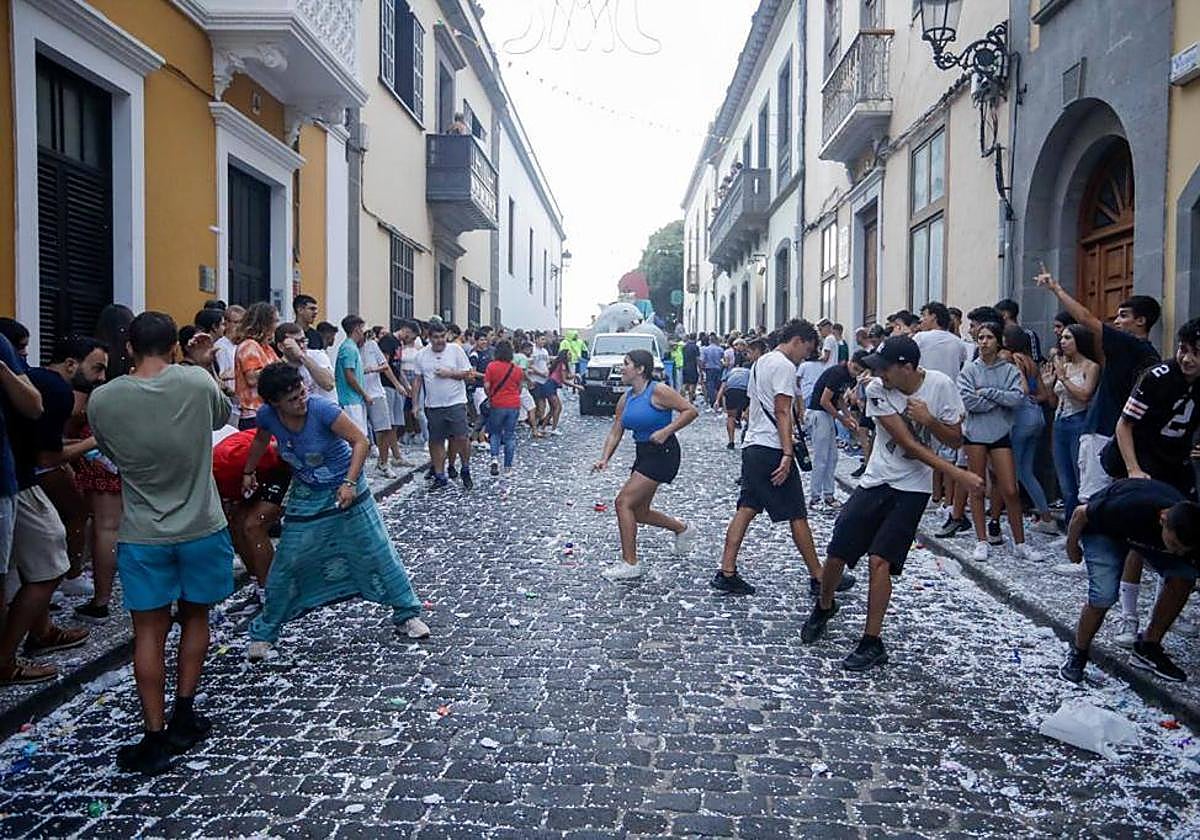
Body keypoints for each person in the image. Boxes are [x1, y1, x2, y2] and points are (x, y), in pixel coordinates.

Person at [88, 312, 235, 775]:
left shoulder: (104, 399)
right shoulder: (195, 382)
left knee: (147, 634)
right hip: (201, 525)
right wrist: (202, 364)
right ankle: (185, 713)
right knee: (196, 618)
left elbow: (110, 452)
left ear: (127, 347)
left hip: (144, 532)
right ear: (175, 345)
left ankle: (153, 735)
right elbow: (222, 417)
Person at [802, 336, 980, 671]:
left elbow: (956, 438)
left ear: (908, 368)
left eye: (886, 369)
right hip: (877, 479)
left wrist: (930, 421)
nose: (879, 375)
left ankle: (872, 641)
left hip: (913, 489)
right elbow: (907, 444)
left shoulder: (941, 385)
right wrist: (957, 474)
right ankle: (825, 605)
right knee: (839, 549)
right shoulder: (877, 390)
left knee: (880, 560)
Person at [241, 364, 428, 661]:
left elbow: (360, 441)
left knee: (376, 550)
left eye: (302, 393)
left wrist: (349, 483)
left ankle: (407, 612)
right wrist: (249, 471)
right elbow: (261, 440)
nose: (301, 401)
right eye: (292, 399)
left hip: (347, 486)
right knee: (289, 559)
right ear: (275, 403)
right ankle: (265, 633)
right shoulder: (267, 416)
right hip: (307, 492)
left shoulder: (323, 410)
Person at [716, 320, 855, 598]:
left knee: (747, 508)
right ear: (797, 340)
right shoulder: (783, 366)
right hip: (771, 448)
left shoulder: (762, 362)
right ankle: (819, 576)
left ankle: (726, 571)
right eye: (807, 349)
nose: (806, 356)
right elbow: (782, 410)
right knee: (796, 514)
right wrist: (787, 452)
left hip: (754, 445)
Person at [0, 335, 102, 685]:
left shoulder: (41, 383)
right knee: (47, 566)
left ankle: (41, 631)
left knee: (27, 567)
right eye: (96, 368)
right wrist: (93, 441)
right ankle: (6, 659)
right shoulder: (55, 391)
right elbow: (47, 454)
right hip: (19, 482)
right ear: (71, 364)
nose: (101, 378)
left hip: (17, 480)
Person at [1095, 318, 1200, 644]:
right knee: (1139, 541)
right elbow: (1124, 426)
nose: (1187, 359)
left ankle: (1162, 615)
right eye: (1183, 350)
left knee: (1177, 538)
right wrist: (1134, 470)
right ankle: (1128, 616)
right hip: (1140, 459)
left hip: (1175, 463)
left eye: (1196, 353)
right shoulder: (1158, 378)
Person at [1060, 479, 1199, 683]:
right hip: (1103, 530)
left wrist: (1179, 553)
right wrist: (1071, 546)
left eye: (1182, 550)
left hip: (1140, 535)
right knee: (1104, 594)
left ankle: (1148, 646)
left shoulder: (1191, 531)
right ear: (1163, 519)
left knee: (1184, 574)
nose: (1176, 552)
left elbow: (1182, 553)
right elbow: (1081, 513)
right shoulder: (1130, 507)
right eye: (1174, 545)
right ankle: (1079, 653)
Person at [592, 349, 698, 581]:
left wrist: (666, 430)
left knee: (623, 502)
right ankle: (682, 529)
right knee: (639, 511)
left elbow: (690, 411)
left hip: (664, 452)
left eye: (626, 364)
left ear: (640, 369)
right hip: (644, 453)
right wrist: (604, 458)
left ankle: (631, 563)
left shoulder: (658, 391)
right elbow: (616, 431)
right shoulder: (626, 398)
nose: (622, 368)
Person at [955, 323, 1034, 561]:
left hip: (1000, 433)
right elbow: (969, 401)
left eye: (989, 337)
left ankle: (1020, 542)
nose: (984, 342)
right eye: (980, 337)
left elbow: (1017, 398)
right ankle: (981, 540)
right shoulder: (969, 369)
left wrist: (988, 392)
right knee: (977, 488)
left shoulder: (1009, 370)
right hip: (975, 434)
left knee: (1010, 489)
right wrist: (998, 400)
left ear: (998, 341)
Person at [211, 429, 287, 592]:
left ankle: (272, 590)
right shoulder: (214, 483)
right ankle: (258, 581)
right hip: (251, 475)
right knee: (235, 525)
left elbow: (278, 449)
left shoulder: (229, 459)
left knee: (253, 526)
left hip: (280, 464)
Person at [1004, 325, 1058, 535]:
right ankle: (1046, 516)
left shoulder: (1013, 359)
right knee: (1026, 471)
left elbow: (1023, 388)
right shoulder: (1031, 362)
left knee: (1011, 473)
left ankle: (1013, 520)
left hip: (1020, 418)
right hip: (1037, 416)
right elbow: (1043, 394)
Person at [1044, 324, 1099, 525]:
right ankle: (1069, 526)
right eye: (1063, 338)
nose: (1063, 342)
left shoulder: (1090, 366)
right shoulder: (1063, 366)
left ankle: (1083, 526)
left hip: (1078, 421)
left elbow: (1085, 395)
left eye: (1068, 338)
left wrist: (1063, 378)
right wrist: (1049, 386)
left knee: (1080, 476)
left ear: (1079, 341)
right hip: (1059, 422)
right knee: (1064, 479)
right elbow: (1053, 401)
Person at [413, 321, 474, 490]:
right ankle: (440, 475)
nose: (440, 341)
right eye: (436, 337)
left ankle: (465, 468)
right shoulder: (421, 355)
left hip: (456, 401)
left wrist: (450, 373)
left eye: (442, 337)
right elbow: (417, 381)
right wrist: (415, 404)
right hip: (433, 404)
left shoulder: (455, 350)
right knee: (436, 440)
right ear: (429, 338)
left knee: (461, 437)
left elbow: (469, 374)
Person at [808, 353, 866, 509]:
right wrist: (843, 419)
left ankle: (828, 494)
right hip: (819, 413)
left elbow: (839, 398)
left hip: (827, 414)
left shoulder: (848, 376)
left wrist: (848, 416)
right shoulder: (837, 373)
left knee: (832, 457)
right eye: (855, 368)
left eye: (860, 371)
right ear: (850, 362)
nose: (856, 373)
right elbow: (824, 401)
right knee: (821, 457)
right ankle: (815, 497)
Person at [360, 327, 406, 477]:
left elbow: (385, 365)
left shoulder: (372, 346)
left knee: (385, 428)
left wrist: (372, 369)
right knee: (360, 432)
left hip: (376, 391)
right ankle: (360, 469)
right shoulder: (349, 347)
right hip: (358, 392)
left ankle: (383, 463)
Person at [233, 303, 280, 431]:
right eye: (275, 321)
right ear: (265, 323)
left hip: (267, 410)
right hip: (253, 413)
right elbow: (252, 378)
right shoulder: (249, 346)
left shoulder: (267, 348)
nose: (277, 325)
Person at [483, 339, 524, 476]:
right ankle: (508, 467)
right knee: (510, 436)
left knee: (495, 433)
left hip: (497, 404)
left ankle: (494, 459)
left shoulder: (491, 367)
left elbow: (487, 386)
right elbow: (519, 388)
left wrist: (490, 396)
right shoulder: (517, 369)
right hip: (513, 404)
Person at [275, 322, 335, 402]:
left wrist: (301, 356)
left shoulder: (317, 355)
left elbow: (329, 384)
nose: (302, 346)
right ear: (281, 347)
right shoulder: (279, 367)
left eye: (303, 341)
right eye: (296, 342)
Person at [334, 315, 372, 438]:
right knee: (356, 437)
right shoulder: (349, 348)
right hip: (350, 400)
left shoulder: (351, 347)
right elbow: (349, 376)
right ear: (357, 329)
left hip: (355, 399)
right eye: (363, 328)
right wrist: (364, 394)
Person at [714, 349, 752, 450]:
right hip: (744, 391)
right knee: (749, 416)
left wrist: (717, 400)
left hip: (731, 391)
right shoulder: (751, 372)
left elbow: (723, 386)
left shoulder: (732, 371)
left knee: (731, 416)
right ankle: (748, 436)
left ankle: (731, 441)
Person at [995, 297, 1043, 363]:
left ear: (1005, 314)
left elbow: (1036, 360)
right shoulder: (997, 335)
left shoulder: (1029, 335)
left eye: (997, 314)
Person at [213, 305, 245, 398]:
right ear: (226, 323)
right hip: (231, 400)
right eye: (237, 322)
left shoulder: (243, 345)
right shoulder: (220, 346)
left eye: (243, 322)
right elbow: (221, 376)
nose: (240, 326)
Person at [701, 335, 724, 407]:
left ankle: (712, 402)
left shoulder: (706, 350)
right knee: (718, 385)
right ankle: (718, 401)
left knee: (710, 385)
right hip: (718, 369)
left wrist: (702, 369)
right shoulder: (720, 349)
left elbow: (703, 360)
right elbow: (723, 360)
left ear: (709, 341)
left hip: (709, 369)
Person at [681, 334, 701, 402]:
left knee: (684, 383)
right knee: (692, 384)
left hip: (684, 366)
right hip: (693, 367)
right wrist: (700, 369)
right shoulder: (696, 347)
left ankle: (682, 399)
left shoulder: (684, 347)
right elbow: (697, 359)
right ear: (695, 338)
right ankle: (690, 400)